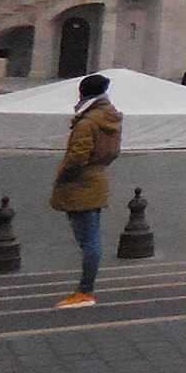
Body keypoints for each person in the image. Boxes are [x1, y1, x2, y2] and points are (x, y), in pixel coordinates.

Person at [50, 73, 123, 310]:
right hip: (97, 180)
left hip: (81, 186)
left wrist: (63, 175)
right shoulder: (110, 118)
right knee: (91, 240)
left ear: (83, 93)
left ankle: (85, 290)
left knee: (88, 242)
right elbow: (112, 152)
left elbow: (77, 157)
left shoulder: (87, 122)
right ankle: (85, 288)